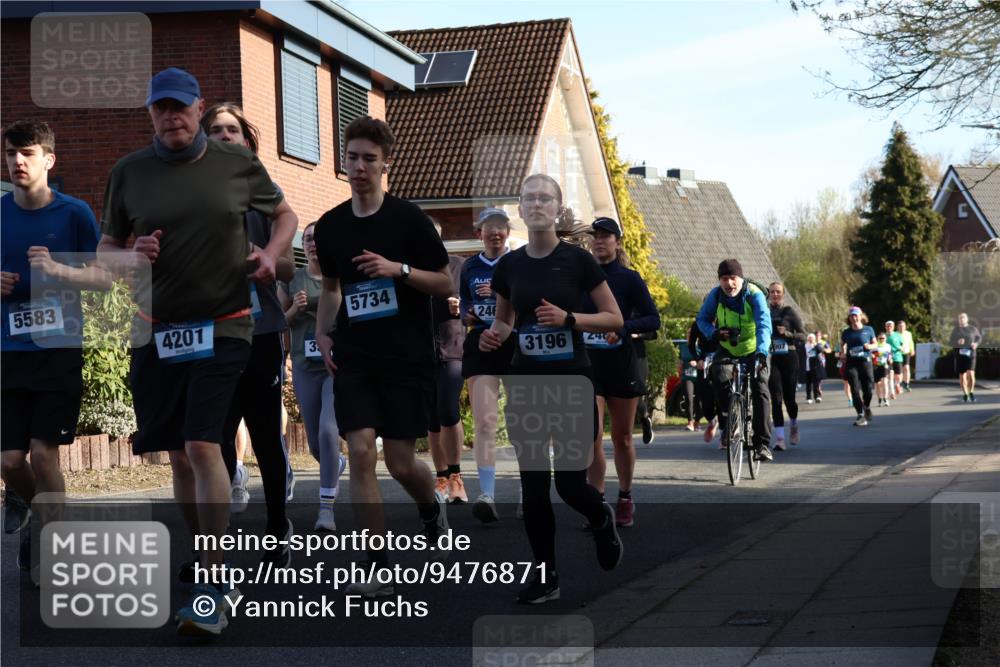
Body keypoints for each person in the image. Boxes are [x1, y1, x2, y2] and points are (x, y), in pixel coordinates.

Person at [98, 68, 297, 635]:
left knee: (202, 444)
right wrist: (131, 254)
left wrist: (272, 253)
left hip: (227, 325)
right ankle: (215, 556)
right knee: (178, 457)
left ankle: (210, 583)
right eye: (160, 109)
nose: (171, 117)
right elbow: (104, 252)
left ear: (198, 106)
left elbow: (285, 215)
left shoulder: (237, 166)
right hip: (156, 329)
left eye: (180, 107)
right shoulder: (128, 173)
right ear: (149, 115)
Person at [312, 117, 452, 598]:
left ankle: (431, 504)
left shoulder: (408, 220)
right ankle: (375, 561)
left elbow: (445, 282)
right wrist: (322, 332)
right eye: (352, 157)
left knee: (399, 461)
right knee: (361, 453)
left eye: (369, 159)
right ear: (343, 161)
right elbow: (331, 289)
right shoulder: (330, 227)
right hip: (356, 356)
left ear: (385, 163)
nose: (359, 167)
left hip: (406, 356)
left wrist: (399, 270)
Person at [480, 173, 625, 604]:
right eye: (529, 199)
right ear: (520, 210)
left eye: (546, 198)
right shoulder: (510, 265)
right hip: (526, 383)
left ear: (558, 208)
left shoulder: (578, 262)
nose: (537, 204)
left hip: (572, 383)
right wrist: (495, 335)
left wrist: (569, 320)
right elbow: (505, 320)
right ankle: (546, 577)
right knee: (533, 485)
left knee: (569, 484)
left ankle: (600, 518)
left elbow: (614, 318)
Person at [2, 120, 109, 573]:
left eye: (26, 153)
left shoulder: (75, 214)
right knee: (9, 461)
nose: (17, 161)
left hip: (59, 347)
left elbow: (104, 278)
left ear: (49, 159)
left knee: (44, 454)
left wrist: (60, 271)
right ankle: (30, 507)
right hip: (8, 349)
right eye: (10, 153)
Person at [201, 102, 297, 564]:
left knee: (263, 435)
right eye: (215, 130)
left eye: (231, 130)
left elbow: (289, 267)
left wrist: (264, 257)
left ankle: (278, 525)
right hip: (209, 330)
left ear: (246, 140)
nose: (223, 136)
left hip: (259, 330)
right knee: (214, 438)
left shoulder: (264, 193)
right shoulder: (188, 192)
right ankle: (212, 549)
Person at [582, 217, 660, 527]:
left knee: (623, 438)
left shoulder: (629, 279)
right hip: (590, 365)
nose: (599, 241)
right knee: (592, 437)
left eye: (606, 236)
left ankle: (625, 496)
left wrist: (623, 328)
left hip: (623, 363)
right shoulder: (582, 278)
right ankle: (597, 503)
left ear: (617, 242)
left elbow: (653, 320)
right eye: (595, 237)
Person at [279, 222, 346, 532]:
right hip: (306, 365)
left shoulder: (339, 278)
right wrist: (294, 309)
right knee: (317, 446)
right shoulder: (293, 278)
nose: (312, 244)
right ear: (302, 246)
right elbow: (279, 322)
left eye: (317, 239)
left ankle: (326, 509)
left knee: (329, 430)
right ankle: (336, 465)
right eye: (307, 239)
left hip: (336, 365)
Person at [459, 208, 515, 523]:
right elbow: (465, 303)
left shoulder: (518, 263)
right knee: (484, 421)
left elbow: (528, 302)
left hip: (513, 343)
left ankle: (527, 493)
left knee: (522, 422)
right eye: (489, 227)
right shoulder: (469, 266)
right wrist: (467, 312)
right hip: (480, 343)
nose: (495, 233)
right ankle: (487, 494)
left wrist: (497, 295)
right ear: (480, 232)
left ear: (508, 232)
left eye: (501, 227)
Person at [696, 259, 774, 461]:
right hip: (727, 348)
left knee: (760, 388)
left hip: (755, 348)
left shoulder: (754, 295)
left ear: (740, 278)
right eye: (724, 279)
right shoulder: (715, 295)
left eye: (733, 278)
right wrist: (714, 334)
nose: (729, 284)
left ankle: (762, 444)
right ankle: (731, 420)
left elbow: (764, 325)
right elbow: (701, 319)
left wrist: (762, 352)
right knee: (719, 376)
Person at [427, 221, 468, 504]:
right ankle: (441, 477)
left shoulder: (459, 266)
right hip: (420, 352)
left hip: (453, 347)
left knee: (448, 410)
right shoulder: (409, 270)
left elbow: (477, 303)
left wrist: (461, 305)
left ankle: (456, 477)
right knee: (431, 417)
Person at [767, 282, 805, 450]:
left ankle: (794, 425)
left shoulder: (789, 312)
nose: (775, 294)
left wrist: (787, 333)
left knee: (790, 399)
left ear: (783, 294)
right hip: (772, 358)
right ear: (769, 294)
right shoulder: (764, 312)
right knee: (776, 398)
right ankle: (780, 439)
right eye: (772, 292)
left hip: (789, 357)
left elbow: (803, 335)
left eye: (778, 292)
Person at [840, 306, 877, 426]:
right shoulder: (846, 332)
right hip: (851, 363)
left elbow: (875, 344)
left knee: (869, 389)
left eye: (856, 315)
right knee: (854, 389)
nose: (854, 317)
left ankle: (866, 406)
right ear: (849, 318)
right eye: (852, 316)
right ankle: (860, 414)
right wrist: (843, 353)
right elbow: (842, 345)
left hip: (865, 361)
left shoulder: (869, 329)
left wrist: (869, 347)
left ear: (861, 316)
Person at [687, 320, 719, 444]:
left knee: (722, 395)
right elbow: (691, 345)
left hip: (721, 360)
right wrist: (697, 359)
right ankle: (712, 420)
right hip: (704, 362)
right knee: (705, 399)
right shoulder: (698, 323)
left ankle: (724, 433)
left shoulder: (724, 319)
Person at [949, 312, 981, 402]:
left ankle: (971, 392)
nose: (961, 319)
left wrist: (976, 344)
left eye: (963, 318)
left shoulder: (972, 329)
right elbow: (950, 342)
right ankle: (965, 394)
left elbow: (979, 338)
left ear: (967, 319)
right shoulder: (956, 330)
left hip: (971, 354)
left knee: (971, 373)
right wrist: (957, 342)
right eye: (960, 318)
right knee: (962, 375)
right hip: (960, 355)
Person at [804, 332, 831, 403]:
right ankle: (809, 397)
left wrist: (815, 344)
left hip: (815, 366)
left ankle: (817, 396)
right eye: (809, 338)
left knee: (816, 383)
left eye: (812, 338)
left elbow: (821, 350)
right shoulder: (805, 346)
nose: (811, 339)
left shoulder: (817, 345)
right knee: (808, 383)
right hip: (807, 366)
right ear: (807, 339)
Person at [884, 320, 905, 398]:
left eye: (891, 326)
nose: (889, 327)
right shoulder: (883, 336)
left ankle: (897, 384)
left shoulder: (898, 335)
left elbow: (902, 345)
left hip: (898, 357)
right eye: (888, 326)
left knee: (898, 376)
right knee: (890, 375)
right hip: (888, 358)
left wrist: (902, 348)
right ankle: (892, 392)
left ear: (893, 327)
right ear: (885, 327)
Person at [872, 332, 893, 407]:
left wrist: (890, 358)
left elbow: (890, 354)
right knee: (877, 384)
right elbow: (870, 354)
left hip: (884, 365)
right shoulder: (874, 346)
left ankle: (885, 398)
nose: (881, 339)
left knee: (885, 382)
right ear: (877, 338)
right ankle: (879, 398)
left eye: (883, 338)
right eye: (880, 338)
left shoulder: (888, 346)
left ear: (885, 339)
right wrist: (872, 356)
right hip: (875, 366)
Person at [897, 320, 915, 392]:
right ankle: (900, 384)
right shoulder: (895, 334)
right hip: (898, 353)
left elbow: (911, 342)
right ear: (897, 327)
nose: (902, 328)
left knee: (907, 367)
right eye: (900, 326)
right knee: (899, 370)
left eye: (903, 326)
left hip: (906, 352)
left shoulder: (908, 333)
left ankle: (906, 383)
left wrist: (912, 350)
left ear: (905, 327)